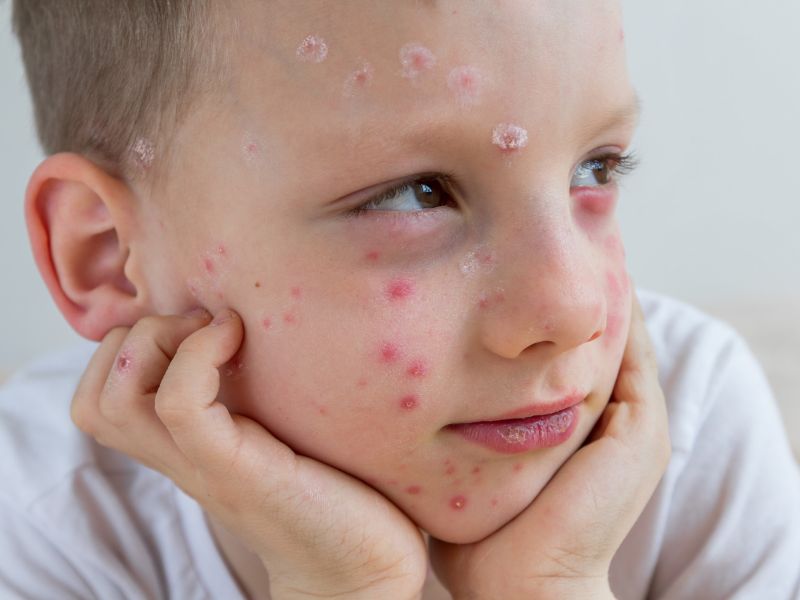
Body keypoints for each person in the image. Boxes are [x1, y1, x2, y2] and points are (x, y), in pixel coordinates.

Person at [2, 1, 798, 598]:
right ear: (107, 254)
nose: (575, 310)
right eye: (418, 194)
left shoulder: (687, 424)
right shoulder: (42, 526)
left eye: (596, 169)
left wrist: (555, 584)